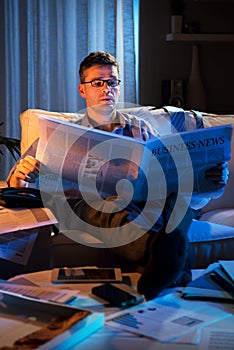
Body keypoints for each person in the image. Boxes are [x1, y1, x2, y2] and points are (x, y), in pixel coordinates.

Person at [7, 51, 228, 300]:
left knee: (157, 200)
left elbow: (164, 171)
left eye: (112, 82)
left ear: (119, 87)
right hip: (83, 206)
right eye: (97, 83)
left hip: (138, 199)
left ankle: (161, 262)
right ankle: (168, 253)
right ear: (83, 90)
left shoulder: (140, 129)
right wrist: (21, 177)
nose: (106, 89)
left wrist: (204, 175)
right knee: (103, 207)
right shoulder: (60, 133)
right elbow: (17, 184)